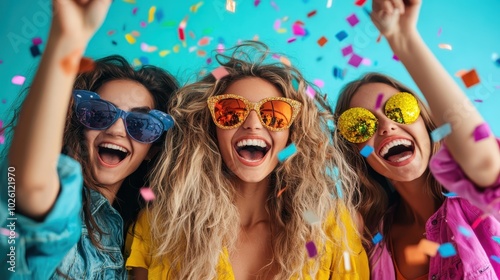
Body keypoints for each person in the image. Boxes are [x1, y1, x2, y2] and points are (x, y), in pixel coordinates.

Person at [126, 41, 369, 279]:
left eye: (274, 114)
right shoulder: (159, 226)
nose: (253, 124)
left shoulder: (331, 225)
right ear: (211, 130)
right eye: (230, 112)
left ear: (291, 135)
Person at [0, 0, 178, 279]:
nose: (117, 130)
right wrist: (66, 40)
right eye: (98, 113)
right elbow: (31, 185)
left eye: (142, 124)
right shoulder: (61, 203)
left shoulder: (137, 236)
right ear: (75, 121)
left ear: (154, 149)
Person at [332, 0, 500, 279]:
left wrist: (402, 38)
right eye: (360, 125)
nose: (386, 126)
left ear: (426, 122)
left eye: (399, 109)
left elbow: (485, 163)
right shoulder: (369, 242)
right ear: (354, 150)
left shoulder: (475, 203)